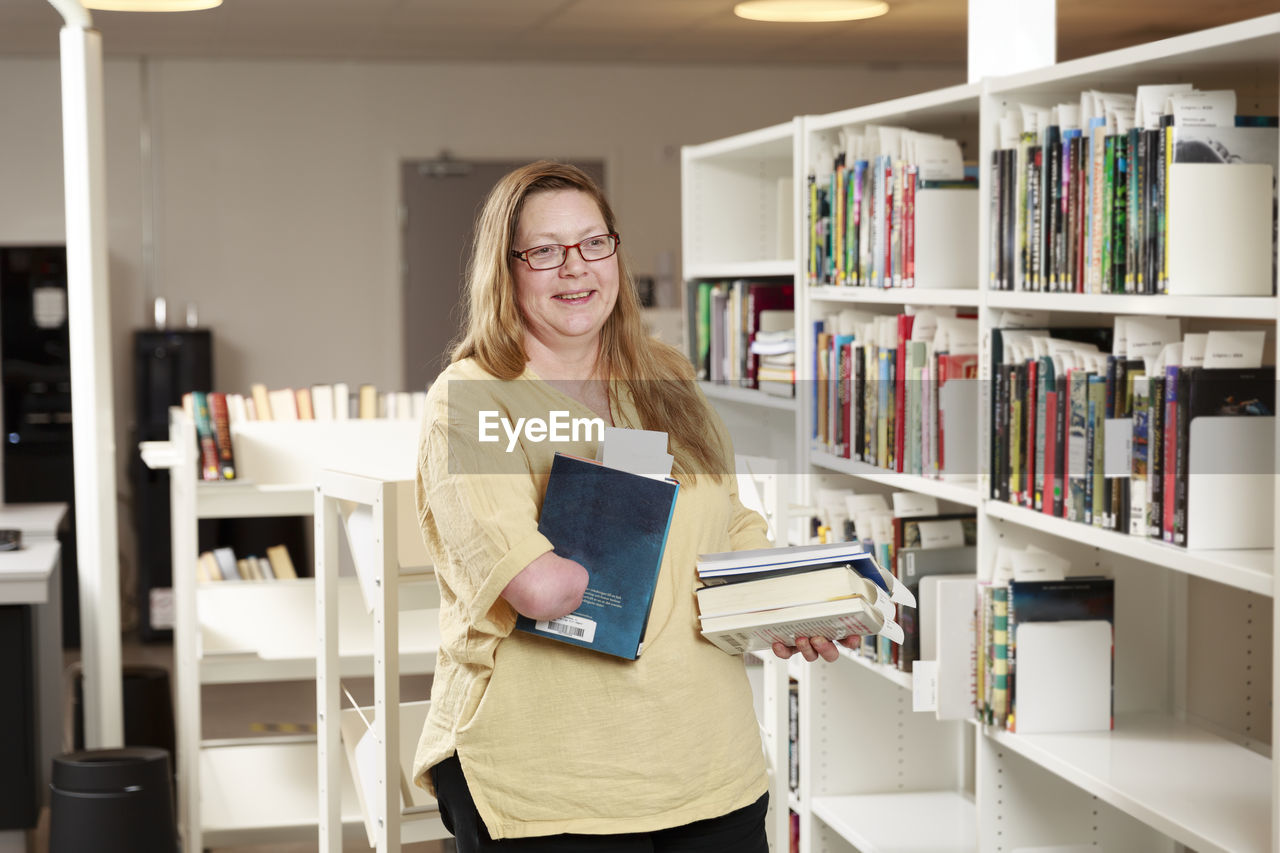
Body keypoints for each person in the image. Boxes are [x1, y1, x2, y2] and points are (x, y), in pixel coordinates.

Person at [412, 160, 850, 852]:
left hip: (710, 763)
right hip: (552, 781)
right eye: (545, 251)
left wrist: (786, 603)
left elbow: (731, 526)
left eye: (594, 243)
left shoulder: (666, 376)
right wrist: (607, 484)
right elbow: (540, 587)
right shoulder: (470, 399)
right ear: (507, 268)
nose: (575, 269)